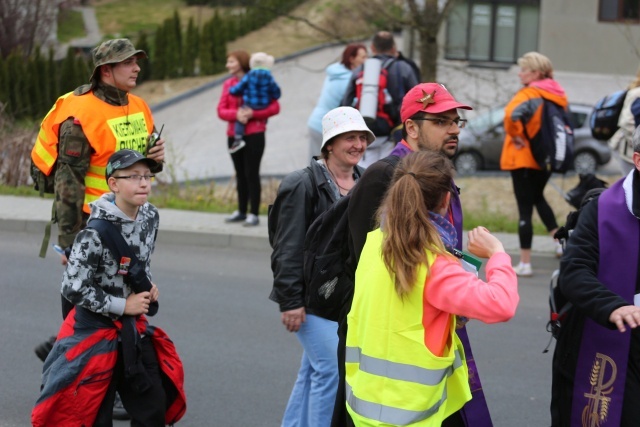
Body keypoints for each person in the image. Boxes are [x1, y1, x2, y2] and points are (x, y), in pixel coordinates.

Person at [334, 82, 498, 427]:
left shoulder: (436, 174)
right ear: (411, 127)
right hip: (387, 340)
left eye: (456, 121)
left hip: (432, 331)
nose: (453, 129)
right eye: (440, 121)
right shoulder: (385, 176)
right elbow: (362, 259)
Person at [31, 37, 166, 420]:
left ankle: (70, 353)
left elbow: (140, 163)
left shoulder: (138, 106)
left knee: (116, 302)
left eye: (137, 61)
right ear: (105, 70)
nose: (136, 68)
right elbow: (67, 182)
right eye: (127, 63)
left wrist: (156, 158)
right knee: (94, 305)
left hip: (128, 221)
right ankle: (78, 368)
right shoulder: (81, 113)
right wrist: (70, 241)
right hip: (94, 223)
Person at [346, 151, 519, 426]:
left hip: (366, 404)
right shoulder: (434, 264)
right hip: (411, 412)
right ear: (446, 200)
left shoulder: (375, 241)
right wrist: (497, 252)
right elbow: (502, 304)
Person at [31, 150, 186, 427]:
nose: (144, 183)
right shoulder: (93, 233)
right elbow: (73, 287)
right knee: (94, 416)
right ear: (114, 184)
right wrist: (123, 305)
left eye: (147, 176)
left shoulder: (151, 216)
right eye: (134, 177)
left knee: (154, 409)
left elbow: (139, 260)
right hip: (96, 333)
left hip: (131, 331)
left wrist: (147, 285)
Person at [269, 106, 374, 427]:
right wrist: (291, 301)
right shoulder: (301, 183)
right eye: (349, 138)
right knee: (332, 370)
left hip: (344, 299)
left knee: (314, 371)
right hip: (311, 299)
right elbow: (286, 246)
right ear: (329, 144)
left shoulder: (365, 181)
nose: (358, 144)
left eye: (362, 137)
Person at [550, 130, 640, 426]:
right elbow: (574, 272)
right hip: (616, 333)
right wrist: (612, 306)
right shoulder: (603, 210)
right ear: (637, 160)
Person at [500, 51, 565, 277]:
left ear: (536, 73)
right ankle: (559, 242)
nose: (520, 73)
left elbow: (510, 116)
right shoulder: (557, 93)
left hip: (523, 158)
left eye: (524, 69)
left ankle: (525, 263)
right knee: (538, 197)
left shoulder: (529, 94)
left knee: (524, 210)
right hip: (544, 159)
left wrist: (516, 134)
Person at [218, 50, 280, 227]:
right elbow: (221, 111)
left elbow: (275, 106)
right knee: (240, 173)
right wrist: (236, 114)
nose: (228, 65)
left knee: (252, 173)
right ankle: (241, 211)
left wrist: (254, 113)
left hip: (255, 134)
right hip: (233, 135)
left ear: (241, 62)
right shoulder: (228, 84)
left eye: (231, 62)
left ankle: (254, 214)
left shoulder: (261, 79)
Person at [341, 31, 420, 138]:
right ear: (393, 48)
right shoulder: (404, 68)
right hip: (395, 131)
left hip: (366, 131)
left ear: (372, 48)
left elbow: (346, 102)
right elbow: (418, 99)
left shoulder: (360, 69)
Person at [307, 43, 368, 158]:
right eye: (363, 57)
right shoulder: (348, 80)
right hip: (325, 127)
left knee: (316, 164)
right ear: (352, 59)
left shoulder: (335, 72)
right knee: (324, 167)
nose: (367, 60)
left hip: (315, 122)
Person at [228, 51, 282, 154]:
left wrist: (232, 91)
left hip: (250, 104)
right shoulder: (269, 76)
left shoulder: (249, 75)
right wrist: (275, 95)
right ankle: (263, 120)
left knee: (240, 120)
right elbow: (276, 90)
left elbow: (240, 87)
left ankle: (238, 139)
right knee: (263, 114)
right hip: (264, 104)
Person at [608, 68, 640, 175]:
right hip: (628, 151)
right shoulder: (636, 94)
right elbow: (626, 122)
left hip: (631, 151)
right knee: (630, 186)